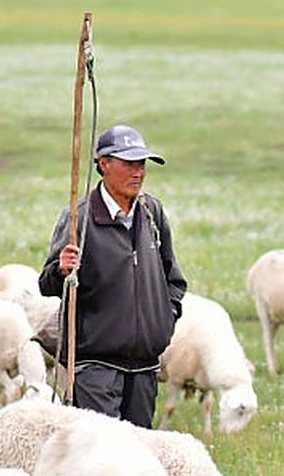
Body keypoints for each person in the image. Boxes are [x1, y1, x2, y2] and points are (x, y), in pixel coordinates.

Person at [38, 124, 187, 427]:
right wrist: (62, 269)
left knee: (137, 454)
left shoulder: (152, 213)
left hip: (144, 366)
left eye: (142, 164)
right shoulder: (80, 217)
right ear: (104, 164)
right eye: (129, 164)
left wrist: (163, 321)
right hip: (95, 366)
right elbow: (47, 284)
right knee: (101, 456)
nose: (138, 173)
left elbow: (174, 279)